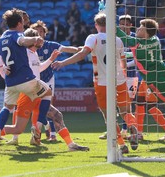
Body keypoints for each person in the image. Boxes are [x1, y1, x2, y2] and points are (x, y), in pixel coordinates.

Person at [52, 12, 139, 153]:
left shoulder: (93, 38)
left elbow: (82, 54)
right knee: (125, 112)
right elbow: (123, 61)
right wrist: (123, 75)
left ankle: (122, 145)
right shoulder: (117, 40)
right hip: (120, 81)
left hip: (102, 82)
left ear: (96, 25)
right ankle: (133, 130)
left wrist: (63, 63)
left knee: (108, 116)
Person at [0, 8, 51, 151]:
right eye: (23, 22)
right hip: (26, 79)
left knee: (8, 109)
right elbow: (22, 40)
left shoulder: (3, 36)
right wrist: (35, 39)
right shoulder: (17, 35)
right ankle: (38, 126)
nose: (24, 25)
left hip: (10, 82)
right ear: (19, 23)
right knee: (47, 93)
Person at [7, 28, 89, 151]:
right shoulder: (23, 54)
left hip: (36, 92)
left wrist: (51, 59)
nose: (41, 41)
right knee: (18, 129)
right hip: (28, 94)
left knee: (57, 115)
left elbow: (38, 68)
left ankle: (70, 144)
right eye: (38, 38)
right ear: (33, 41)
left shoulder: (34, 54)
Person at [30, 20, 81, 141]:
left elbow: (65, 48)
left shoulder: (50, 45)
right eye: (36, 32)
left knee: (48, 106)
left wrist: (80, 50)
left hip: (48, 79)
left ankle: (52, 133)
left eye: (41, 31)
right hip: (34, 81)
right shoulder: (29, 48)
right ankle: (40, 132)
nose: (39, 33)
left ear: (44, 33)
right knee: (37, 108)